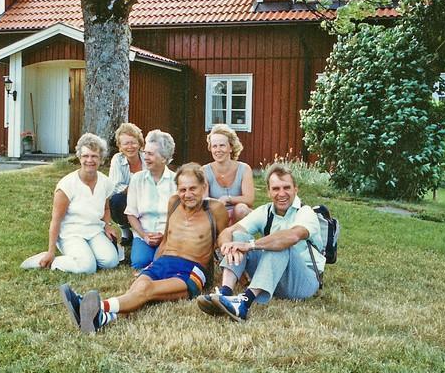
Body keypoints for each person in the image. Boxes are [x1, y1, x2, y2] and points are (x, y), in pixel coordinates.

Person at [59, 163, 229, 333]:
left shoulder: (215, 209)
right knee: (137, 290)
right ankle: (100, 319)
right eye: (182, 189)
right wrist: (152, 266)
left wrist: (233, 274)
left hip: (191, 270)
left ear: (204, 187)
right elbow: (167, 238)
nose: (187, 194)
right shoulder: (174, 203)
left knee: (147, 290)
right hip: (163, 261)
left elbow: (223, 241)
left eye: (193, 188)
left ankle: (92, 306)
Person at [197, 163, 323, 322]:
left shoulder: (305, 212)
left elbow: (291, 237)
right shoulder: (265, 211)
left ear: (295, 190)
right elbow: (227, 232)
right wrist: (228, 246)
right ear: (269, 192)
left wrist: (250, 246)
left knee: (280, 244)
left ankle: (244, 303)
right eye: (276, 189)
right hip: (274, 276)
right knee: (238, 237)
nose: (281, 193)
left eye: (287, 188)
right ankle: (225, 293)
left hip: (303, 281)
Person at [21, 133, 120, 274]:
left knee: (111, 262)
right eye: (85, 156)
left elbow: (106, 208)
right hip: (71, 233)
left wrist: (108, 226)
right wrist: (51, 251)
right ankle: (50, 260)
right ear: (79, 157)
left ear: (101, 159)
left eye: (94, 156)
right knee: (88, 267)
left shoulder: (105, 182)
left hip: (94, 231)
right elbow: (56, 220)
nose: (89, 160)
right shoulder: (67, 185)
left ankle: (84, 256)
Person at [124, 129, 177, 269]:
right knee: (140, 263)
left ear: (164, 158)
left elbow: (180, 217)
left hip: (168, 235)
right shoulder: (137, 179)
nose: (145, 157)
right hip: (144, 233)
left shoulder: (176, 181)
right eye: (145, 153)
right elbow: (131, 213)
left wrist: (164, 235)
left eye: (151, 154)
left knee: (161, 263)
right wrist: (144, 235)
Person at [203, 124, 254, 224]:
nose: (218, 150)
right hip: (216, 214)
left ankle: (240, 235)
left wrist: (228, 199)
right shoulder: (204, 170)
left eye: (222, 145)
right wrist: (218, 204)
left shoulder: (244, 168)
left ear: (231, 147)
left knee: (241, 209)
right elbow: (204, 200)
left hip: (239, 216)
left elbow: (249, 199)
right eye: (214, 146)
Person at [108, 123, 145, 244]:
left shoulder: (147, 157)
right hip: (127, 198)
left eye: (133, 142)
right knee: (116, 200)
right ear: (120, 146)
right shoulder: (117, 159)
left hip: (146, 198)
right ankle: (125, 230)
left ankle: (140, 231)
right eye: (126, 143)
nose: (130, 147)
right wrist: (136, 188)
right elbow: (115, 187)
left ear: (139, 143)